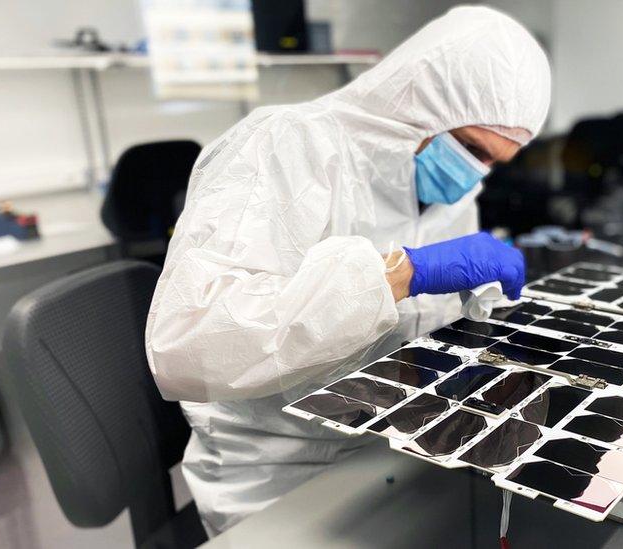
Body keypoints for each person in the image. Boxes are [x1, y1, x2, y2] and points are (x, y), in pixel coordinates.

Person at [144, 6, 551, 535]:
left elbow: (438, 325)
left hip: (394, 443)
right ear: (418, 102)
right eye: (472, 148)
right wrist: (401, 276)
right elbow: (188, 341)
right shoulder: (284, 145)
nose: (475, 173)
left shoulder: (451, 191)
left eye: (495, 162)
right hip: (278, 472)